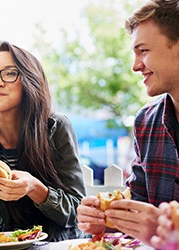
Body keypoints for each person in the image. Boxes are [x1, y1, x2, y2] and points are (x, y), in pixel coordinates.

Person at [0, 40, 86, 242]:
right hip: (9, 242)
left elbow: (76, 212)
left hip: (60, 242)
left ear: (30, 81)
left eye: (9, 73)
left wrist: (35, 188)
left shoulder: (56, 127)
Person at [76, 0, 179, 247]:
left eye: (143, 51)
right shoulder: (146, 121)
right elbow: (140, 206)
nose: (135, 66)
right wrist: (107, 219)